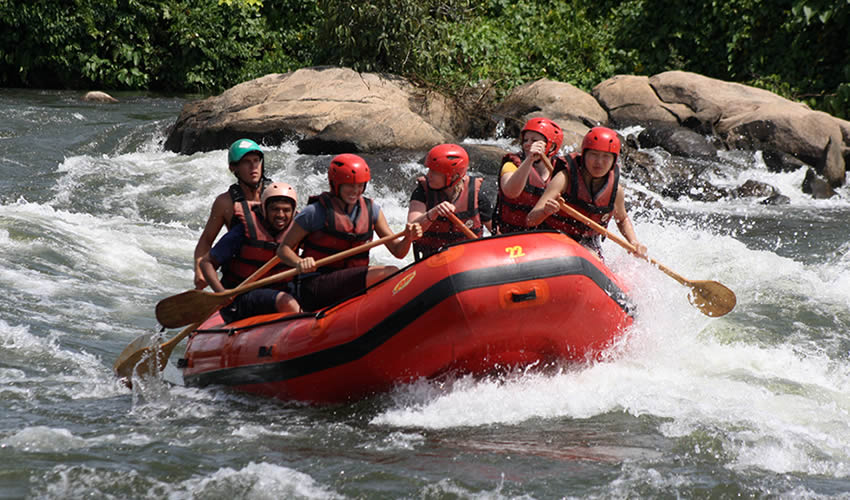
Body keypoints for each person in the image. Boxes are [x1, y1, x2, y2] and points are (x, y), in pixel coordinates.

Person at [276, 153, 422, 311]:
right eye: (350, 185)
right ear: (335, 184)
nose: (356, 190)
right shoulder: (314, 212)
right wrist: (299, 262)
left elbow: (398, 252)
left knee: (396, 274)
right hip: (316, 284)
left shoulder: (372, 211)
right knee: (390, 272)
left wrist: (408, 238)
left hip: (350, 281)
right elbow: (283, 249)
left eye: (360, 185)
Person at [527, 126, 647, 258]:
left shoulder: (616, 191)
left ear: (614, 160)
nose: (599, 162)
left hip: (587, 244)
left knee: (591, 255)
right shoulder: (563, 178)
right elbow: (530, 220)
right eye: (594, 155)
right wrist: (545, 211)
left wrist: (633, 242)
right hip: (552, 236)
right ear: (584, 155)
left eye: (606, 156)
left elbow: (622, 219)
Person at [199, 182, 301, 323]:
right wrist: (221, 292)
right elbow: (206, 262)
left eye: (286, 210)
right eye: (275, 209)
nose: (280, 215)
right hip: (241, 297)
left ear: (294, 210)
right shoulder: (244, 230)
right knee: (286, 301)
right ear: (264, 209)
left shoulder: (299, 229)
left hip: (280, 290)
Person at [193, 138, 272, 289]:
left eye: (256, 161)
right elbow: (206, 240)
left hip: (271, 273)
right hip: (239, 277)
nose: (253, 166)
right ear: (233, 168)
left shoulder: (275, 195)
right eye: (246, 162)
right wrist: (199, 271)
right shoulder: (224, 203)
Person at [406, 144, 493, 261]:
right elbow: (412, 228)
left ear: (452, 176)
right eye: (429, 170)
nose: (428, 175)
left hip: (468, 261)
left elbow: (496, 233)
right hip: (432, 262)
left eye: (434, 172)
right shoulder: (422, 191)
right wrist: (433, 212)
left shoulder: (477, 196)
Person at [492, 117, 574, 234]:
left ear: (551, 147)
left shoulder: (562, 173)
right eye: (525, 140)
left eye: (534, 140)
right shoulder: (511, 165)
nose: (527, 144)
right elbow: (510, 192)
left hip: (546, 238)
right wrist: (529, 160)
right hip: (510, 235)